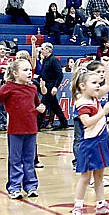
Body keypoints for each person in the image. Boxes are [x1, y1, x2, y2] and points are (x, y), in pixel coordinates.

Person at [70, 69, 109, 215]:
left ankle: (101, 204)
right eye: (94, 83)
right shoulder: (81, 102)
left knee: (99, 175)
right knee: (85, 177)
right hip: (89, 143)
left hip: (101, 141)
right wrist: (103, 113)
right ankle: (77, 207)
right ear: (83, 86)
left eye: (98, 83)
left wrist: (106, 67)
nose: (98, 86)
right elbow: (86, 122)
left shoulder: (94, 97)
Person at [0, 59, 46, 199]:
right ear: (15, 73)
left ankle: (31, 186)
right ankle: (14, 187)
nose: (29, 73)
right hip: (15, 130)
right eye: (25, 70)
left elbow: (37, 105)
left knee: (29, 159)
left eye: (29, 70)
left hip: (31, 129)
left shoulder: (32, 88)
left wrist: (40, 109)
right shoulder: (8, 88)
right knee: (15, 160)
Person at [38, 42, 68, 130]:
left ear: (48, 50)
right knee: (54, 106)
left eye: (42, 49)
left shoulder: (53, 60)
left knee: (43, 104)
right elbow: (46, 72)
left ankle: (37, 124)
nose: (41, 51)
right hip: (45, 85)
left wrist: (55, 86)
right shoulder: (45, 59)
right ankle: (63, 122)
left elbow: (60, 74)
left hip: (50, 86)